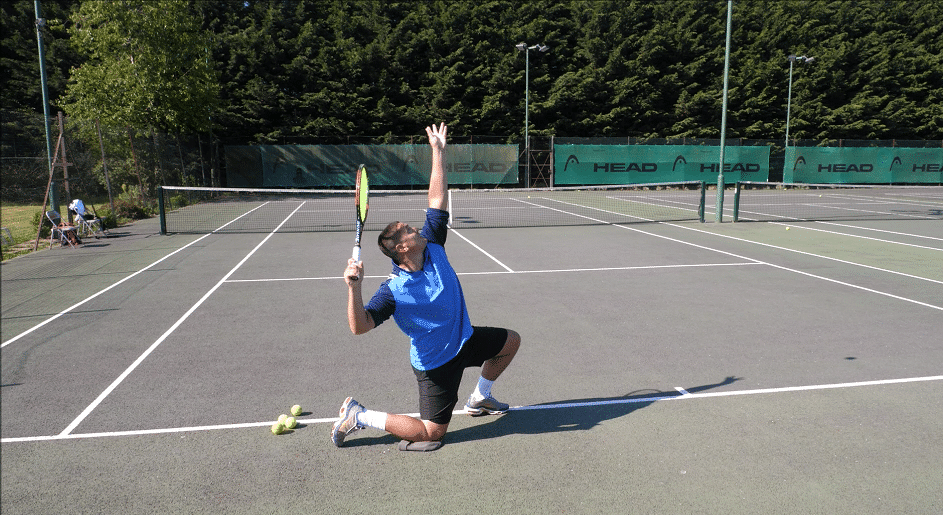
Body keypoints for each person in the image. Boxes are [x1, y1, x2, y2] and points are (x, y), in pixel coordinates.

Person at [334, 122, 521, 451]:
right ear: (402, 248)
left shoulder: (433, 244)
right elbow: (359, 327)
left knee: (511, 342)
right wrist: (353, 288)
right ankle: (359, 415)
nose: (414, 227)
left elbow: (436, 198)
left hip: (464, 338)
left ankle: (479, 399)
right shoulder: (393, 291)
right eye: (407, 230)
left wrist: (438, 151)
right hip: (436, 363)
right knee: (431, 433)